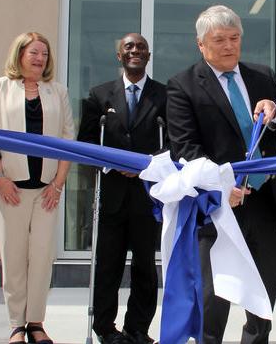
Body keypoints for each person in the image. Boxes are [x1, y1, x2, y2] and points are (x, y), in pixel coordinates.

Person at [167, 5, 276, 344]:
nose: (229, 46)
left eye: (235, 38)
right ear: (201, 44)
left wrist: (274, 111)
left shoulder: (261, 76)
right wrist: (219, 187)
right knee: (213, 299)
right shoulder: (183, 85)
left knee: (264, 292)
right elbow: (185, 147)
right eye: (219, 40)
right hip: (217, 206)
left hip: (263, 205)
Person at [0, 32, 75, 344]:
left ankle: (36, 322)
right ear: (19, 54)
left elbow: (66, 140)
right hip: (11, 188)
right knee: (14, 256)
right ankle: (16, 325)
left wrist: (59, 184)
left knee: (41, 256)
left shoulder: (57, 91)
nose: (39, 58)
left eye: (44, 54)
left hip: (47, 189)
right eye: (33, 52)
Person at [77, 33, 165, 344]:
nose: (135, 51)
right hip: (111, 195)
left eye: (141, 47)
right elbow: (85, 143)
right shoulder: (99, 95)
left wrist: (145, 166)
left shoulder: (164, 96)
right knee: (107, 266)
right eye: (129, 47)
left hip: (146, 196)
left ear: (149, 55)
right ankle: (105, 328)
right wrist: (113, 164)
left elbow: (172, 145)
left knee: (145, 267)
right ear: (119, 55)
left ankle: (137, 328)